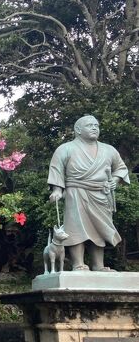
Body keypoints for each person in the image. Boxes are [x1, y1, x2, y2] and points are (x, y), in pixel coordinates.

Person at [47, 115, 130, 271]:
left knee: (100, 229)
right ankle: (78, 263)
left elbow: (121, 168)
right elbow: (56, 169)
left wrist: (116, 179)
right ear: (78, 130)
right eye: (90, 125)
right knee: (76, 227)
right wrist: (57, 190)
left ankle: (98, 265)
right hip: (75, 192)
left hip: (101, 194)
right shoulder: (65, 148)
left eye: (96, 126)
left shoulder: (108, 149)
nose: (94, 128)